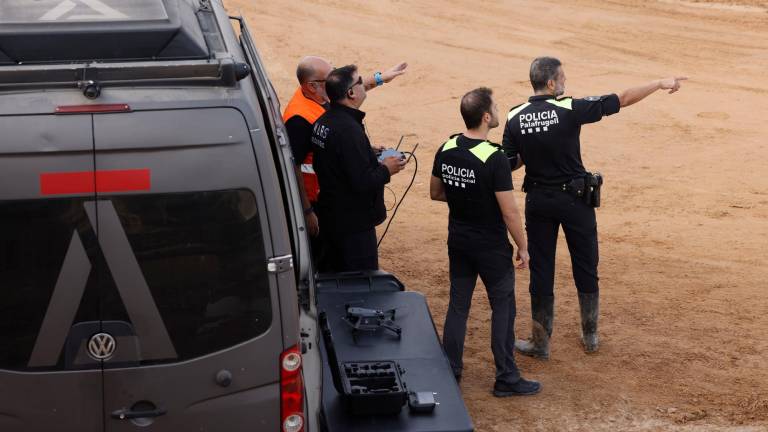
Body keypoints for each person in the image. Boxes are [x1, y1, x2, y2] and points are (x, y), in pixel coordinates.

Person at [503, 56, 686, 359]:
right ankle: (590, 336)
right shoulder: (570, 108)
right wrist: (659, 83)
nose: (565, 82)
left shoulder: (514, 116)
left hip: (539, 201)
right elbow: (623, 99)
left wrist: (533, 147)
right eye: (562, 77)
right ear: (550, 83)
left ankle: (540, 343)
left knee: (542, 270)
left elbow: (510, 163)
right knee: (586, 265)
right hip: (574, 201)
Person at [430, 87, 540, 397]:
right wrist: (524, 246)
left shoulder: (446, 146)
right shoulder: (493, 157)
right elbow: (509, 212)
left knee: (458, 306)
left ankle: (451, 371)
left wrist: (466, 199)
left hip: (459, 240)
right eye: (495, 106)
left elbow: (436, 192)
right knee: (503, 307)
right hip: (490, 246)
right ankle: (506, 376)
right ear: (486, 116)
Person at [282, 56, 407, 264]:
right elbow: (292, 165)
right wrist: (306, 210)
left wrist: (381, 78)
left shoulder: (322, 103)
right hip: (328, 206)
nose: (333, 80)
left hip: (331, 202)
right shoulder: (299, 119)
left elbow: (347, 90)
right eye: (329, 77)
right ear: (313, 86)